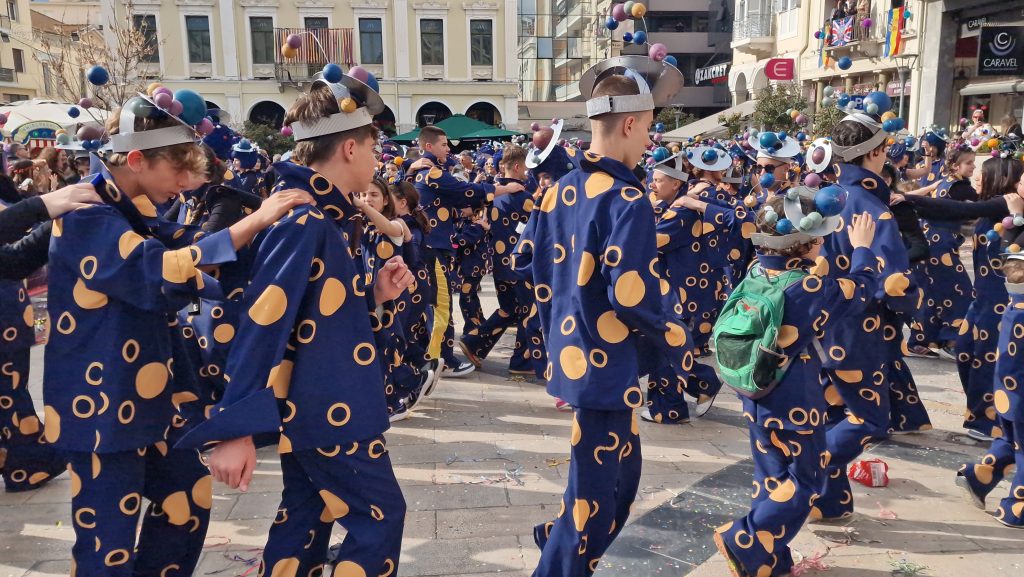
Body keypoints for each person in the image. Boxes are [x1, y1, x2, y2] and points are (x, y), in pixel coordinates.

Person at [44, 89, 309, 577]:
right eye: (176, 171)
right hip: (102, 407)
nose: (185, 184)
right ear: (138, 159)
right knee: (108, 547)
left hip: (153, 401)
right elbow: (162, 268)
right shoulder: (88, 213)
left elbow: (188, 245)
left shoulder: (128, 208)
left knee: (187, 499)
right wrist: (255, 220)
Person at [181, 71, 413, 577]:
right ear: (350, 148)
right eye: (374, 147)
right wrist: (235, 428)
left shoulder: (326, 216)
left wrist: (375, 294)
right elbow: (263, 324)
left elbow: (315, 312)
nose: (379, 160)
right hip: (328, 409)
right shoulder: (305, 219)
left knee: (304, 524)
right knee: (380, 517)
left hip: (325, 404)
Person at [514, 54, 687, 577]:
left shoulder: (557, 191)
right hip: (605, 368)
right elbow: (631, 295)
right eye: (650, 129)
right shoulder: (628, 198)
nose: (649, 143)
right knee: (598, 493)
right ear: (631, 123)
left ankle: (561, 540)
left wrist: (567, 293)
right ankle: (562, 558)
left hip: (575, 359)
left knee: (616, 483)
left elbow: (524, 261)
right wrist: (676, 337)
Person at [714, 194, 880, 577]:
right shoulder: (807, 287)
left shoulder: (756, 271)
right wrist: (863, 249)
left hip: (756, 393)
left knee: (771, 478)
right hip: (794, 402)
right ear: (808, 242)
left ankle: (770, 561)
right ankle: (746, 538)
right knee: (806, 480)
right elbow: (860, 290)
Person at [814, 106, 922, 521]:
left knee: (830, 411)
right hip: (859, 330)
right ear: (874, 153)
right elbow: (892, 282)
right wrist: (917, 307)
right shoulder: (873, 210)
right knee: (871, 419)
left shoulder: (825, 197)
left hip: (819, 324)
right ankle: (810, 465)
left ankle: (829, 502)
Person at [900, 154, 1024, 441]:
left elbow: (953, 210)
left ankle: (992, 424)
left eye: (982, 172)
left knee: (987, 360)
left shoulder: (1007, 205)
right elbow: (951, 211)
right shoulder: (1002, 206)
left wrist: (910, 202)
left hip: (1001, 302)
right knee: (966, 351)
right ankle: (984, 417)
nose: (977, 176)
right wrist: (910, 202)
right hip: (982, 300)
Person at [410, 126, 524, 379]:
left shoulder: (416, 172)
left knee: (433, 305)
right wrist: (506, 189)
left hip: (428, 248)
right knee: (441, 306)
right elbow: (466, 192)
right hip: (433, 250)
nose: (448, 149)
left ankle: (431, 357)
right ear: (429, 146)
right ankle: (443, 360)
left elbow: (446, 204)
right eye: (443, 145)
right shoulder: (431, 173)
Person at [642, 150, 724, 423]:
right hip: (677, 292)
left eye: (659, 180)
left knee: (668, 350)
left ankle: (673, 407)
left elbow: (652, 242)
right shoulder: (671, 205)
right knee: (665, 349)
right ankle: (690, 392)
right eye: (652, 179)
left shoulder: (681, 211)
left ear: (676, 183)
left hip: (684, 295)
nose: (652, 184)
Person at [955, 232, 1024, 528]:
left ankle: (978, 477)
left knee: (1011, 442)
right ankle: (1015, 508)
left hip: (1008, 394)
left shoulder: (1013, 307)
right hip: (1019, 395)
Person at [460, 144, 543, 377]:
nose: (527, 172)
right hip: (520, 266)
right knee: (528, 313)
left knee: (509, 310)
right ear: (516, 166)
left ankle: (473, 343)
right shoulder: (524, 198)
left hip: (499, 264)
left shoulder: (492, 194)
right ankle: (521, 362)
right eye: (525, 168)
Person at [907, 146, 978, 360]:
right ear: (956, 166)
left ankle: (920, 341)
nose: (974, 167)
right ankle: (953, 339)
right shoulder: (961, 187)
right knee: (961, 292)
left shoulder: (945, 181)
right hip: (941, 246)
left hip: (928, 242)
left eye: (974, 162)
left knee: (930, 294)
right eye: (969, 163)